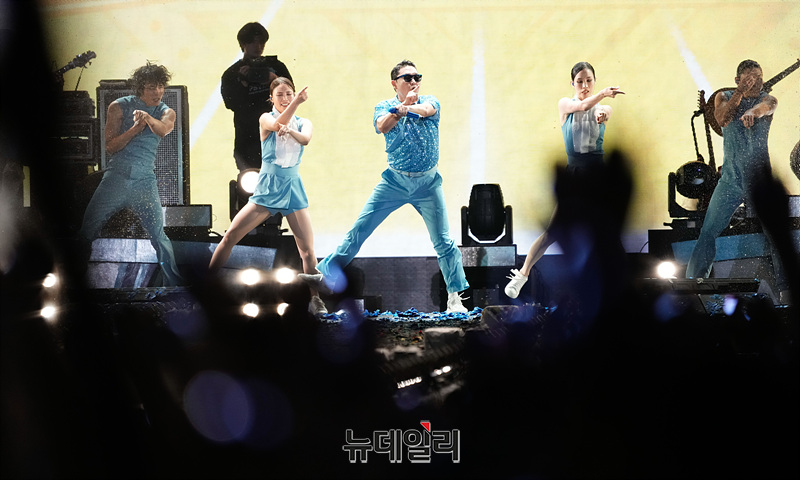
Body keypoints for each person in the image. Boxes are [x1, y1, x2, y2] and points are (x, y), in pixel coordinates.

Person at [299, 60, 470, 313]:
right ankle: (326, 275)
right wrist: (400, 109)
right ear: (394, 84)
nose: (414, 82)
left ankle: (455, 298)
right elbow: (382, 125)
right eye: (407, 78)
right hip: (394, 182)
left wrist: (406, 107)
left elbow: (427, 110)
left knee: (443, 241)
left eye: (417, 77)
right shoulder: (384, 106)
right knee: (359, 229)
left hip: (427, 184)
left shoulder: (430, 100)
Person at [505, 61, 624, 299]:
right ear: (572, 83)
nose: (585, 85)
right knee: (552, 232)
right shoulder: (565, 104)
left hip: (597, 177)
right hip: (574, 176)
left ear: (594, 81)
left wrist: (602, 112)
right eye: (580, 81)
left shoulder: (604, 108)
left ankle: (619, 285)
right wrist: (602, 94)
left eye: (589, 80)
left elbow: (600, 111)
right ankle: (523, 274)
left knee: (607, 233)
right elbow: (582, 107)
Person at [209, 78, 326, 315]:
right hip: (268, 188)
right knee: (230, 236)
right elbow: (275, 124)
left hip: (292, 188)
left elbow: (305, 139)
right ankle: (205, 288)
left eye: (289, 94)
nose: (285, 99)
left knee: (307, 251)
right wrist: (294, 107)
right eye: (280, 94)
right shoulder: (265, 117)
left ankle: (315, 299)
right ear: (271, 98)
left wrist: (290, 129)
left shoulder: (304, 122)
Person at [685, 60, 788, 302]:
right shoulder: (724, 97)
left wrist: (753, 112)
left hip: (760, 183)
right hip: (730, 181)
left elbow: (765, 108)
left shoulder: (768, 99)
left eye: (759, 77)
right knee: (708, 232)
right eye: (750, 78)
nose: (756, 81)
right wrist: (740, 93)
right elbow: (721, 119)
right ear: (737, 80)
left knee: (776, 236)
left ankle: (787, 291)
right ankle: (692, 288)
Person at [78, 62, 183, 286]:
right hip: (116, 177)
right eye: (151, 88)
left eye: (161, 86)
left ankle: (174, 285)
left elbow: (163, 129)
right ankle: (74, 281)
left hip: (145, 181)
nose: (158, 92)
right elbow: (110, 146)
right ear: (140, 88)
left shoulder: (167, 111)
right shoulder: (118, 106)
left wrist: (147, 118)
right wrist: (135, 129)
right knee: (87, 230)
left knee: (159, 235)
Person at [221, 22, 293, 172]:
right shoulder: (232, 74)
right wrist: (243, 83)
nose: (258, 46)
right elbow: (230, 103)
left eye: (261, 42)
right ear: (243, 44)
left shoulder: (276, 67)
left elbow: (291, 98)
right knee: (250, 181)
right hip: (247, 140)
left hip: (277, 138)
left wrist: (274, 80)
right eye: (253, 42)